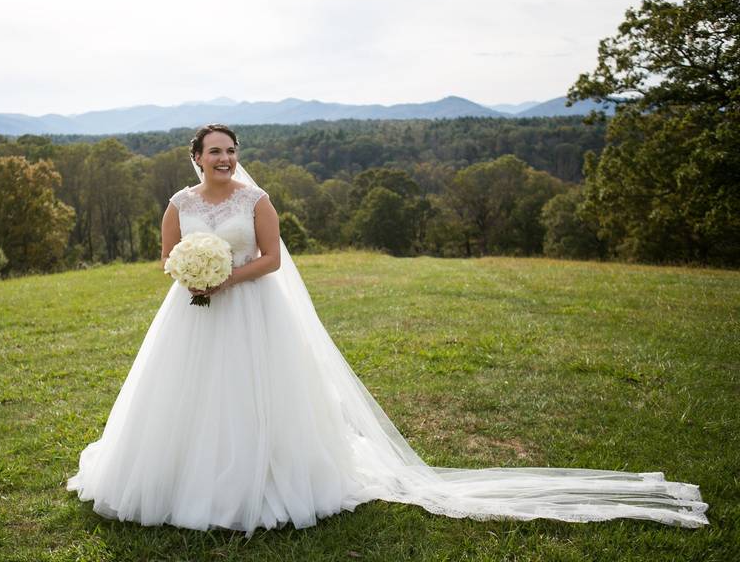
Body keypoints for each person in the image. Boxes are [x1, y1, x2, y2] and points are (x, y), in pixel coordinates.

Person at [66, 124, 709, 537]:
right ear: (196, 157)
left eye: (233, 152)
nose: (227, 160)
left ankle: (256, 481)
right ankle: (182, 477)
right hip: (190, 314)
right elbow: (167, 256)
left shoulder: (256, 202)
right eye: (216, 152)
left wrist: (226, 278)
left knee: (253, 398)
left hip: (252, 311)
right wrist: (189, 277)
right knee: (187, 400)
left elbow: (270, 259)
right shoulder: (178, 203)